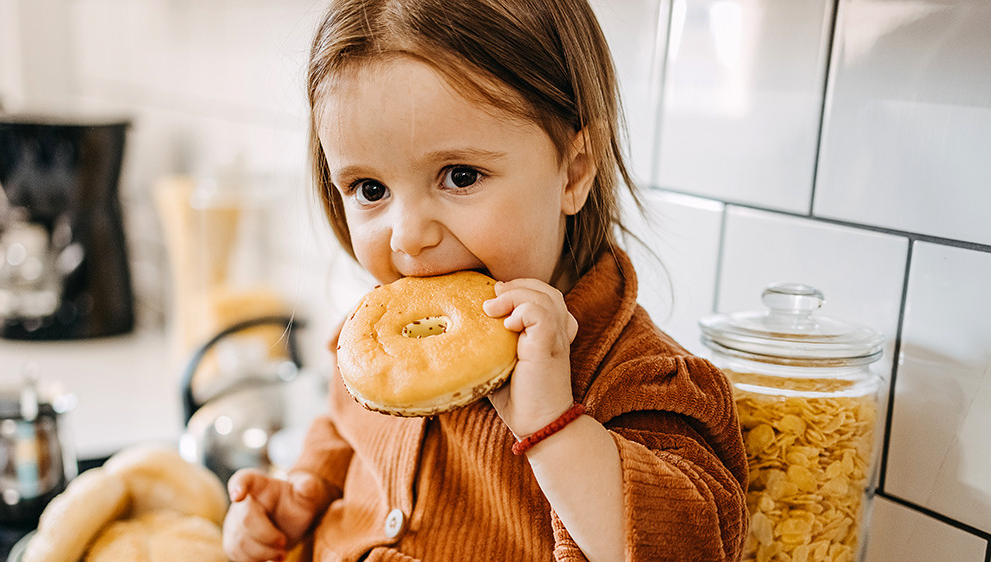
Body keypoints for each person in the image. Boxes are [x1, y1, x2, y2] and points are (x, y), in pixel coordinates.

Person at [222, 0, 748, 560]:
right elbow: (341, 435)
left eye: (461, 176)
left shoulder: (642, 382)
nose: (408, 236)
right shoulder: (374, 346)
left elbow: (688, 546)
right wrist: (302, 495)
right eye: (370, 189)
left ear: (573, 172)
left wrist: (555, 426)